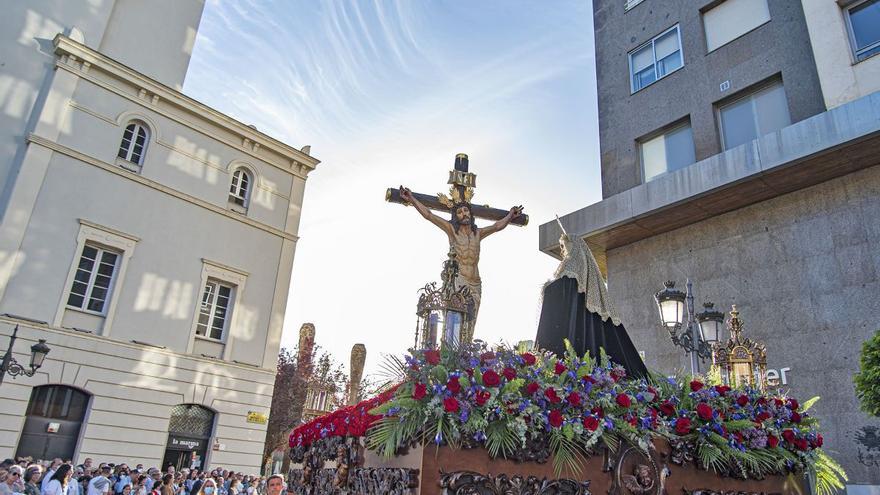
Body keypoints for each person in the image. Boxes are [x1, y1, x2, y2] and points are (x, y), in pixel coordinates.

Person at [534, 226, 648, 379]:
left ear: (573, 247)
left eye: (564, 246)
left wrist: (549, 287)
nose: (564, 251)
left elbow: (562, 287)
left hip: (573, 325)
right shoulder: (578, 270)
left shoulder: (572, 265)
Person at [399, 185, 523, 326]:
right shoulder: (452, 231)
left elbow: (497, 226)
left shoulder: (478, 234)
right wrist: (411, 198)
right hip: (459, 281)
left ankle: (468, 347)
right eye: (459, 212)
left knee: (471, 322)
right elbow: (429, 215)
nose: (464, 214)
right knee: (456, 322)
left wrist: (510, 216)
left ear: (470, 214)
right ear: (455, 216)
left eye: (466, 210)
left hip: (475, 283)